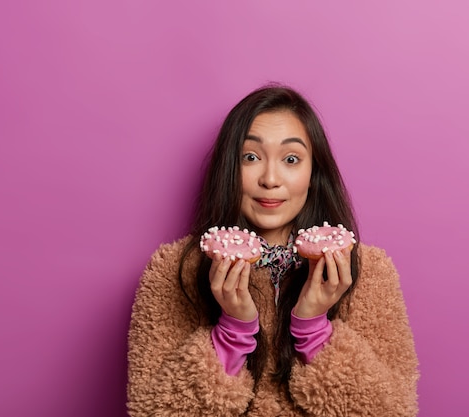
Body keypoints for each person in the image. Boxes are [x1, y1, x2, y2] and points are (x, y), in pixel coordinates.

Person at [126, 84, 419, 416]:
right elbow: (152, 410)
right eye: (251, 157)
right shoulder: (172, 269)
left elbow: (395, 410)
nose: (270, 178)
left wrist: (314, 328)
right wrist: (232, 331)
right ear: (229, 169)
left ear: (313, 174)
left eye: (291, 159)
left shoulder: (367, 270)